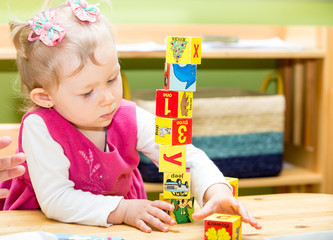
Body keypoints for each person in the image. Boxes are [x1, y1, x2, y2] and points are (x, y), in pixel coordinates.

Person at [0, 0, 261, 233]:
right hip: (44, 225)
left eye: (112, 79)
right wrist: (123, 210)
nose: (108, 98)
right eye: (88, 92)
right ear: (46, 98)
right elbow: (57, 199)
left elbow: (182, 156)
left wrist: (215, 190)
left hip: (124, 225)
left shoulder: (129, 116)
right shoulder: (40, 127)